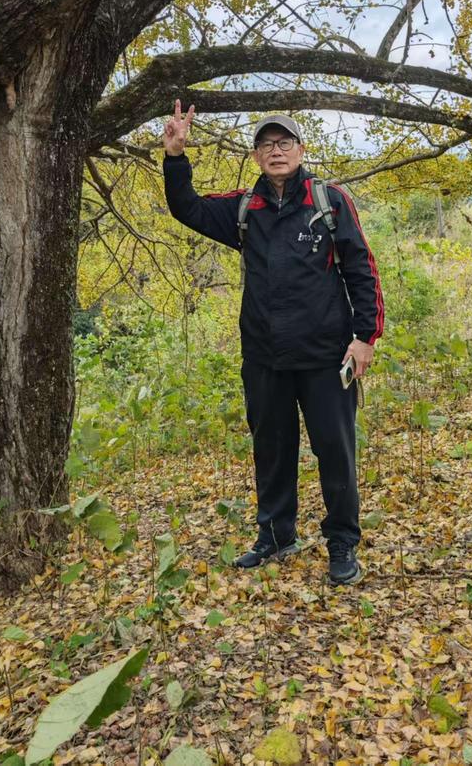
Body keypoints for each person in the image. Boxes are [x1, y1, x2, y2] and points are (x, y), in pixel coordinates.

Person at [162, 102, 384, 585]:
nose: (276, 151)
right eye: (267, 145)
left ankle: (342, 542)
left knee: (335, 450)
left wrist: (364, 337)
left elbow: (361, 270)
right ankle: (277, 535)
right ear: (257, 155)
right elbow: (188, 208)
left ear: (301, 150)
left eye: (285, 143)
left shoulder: (329, 201)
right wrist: (177, 157)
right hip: (264, 356)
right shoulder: (246, 208)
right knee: (272, 450)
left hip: (325, 356)